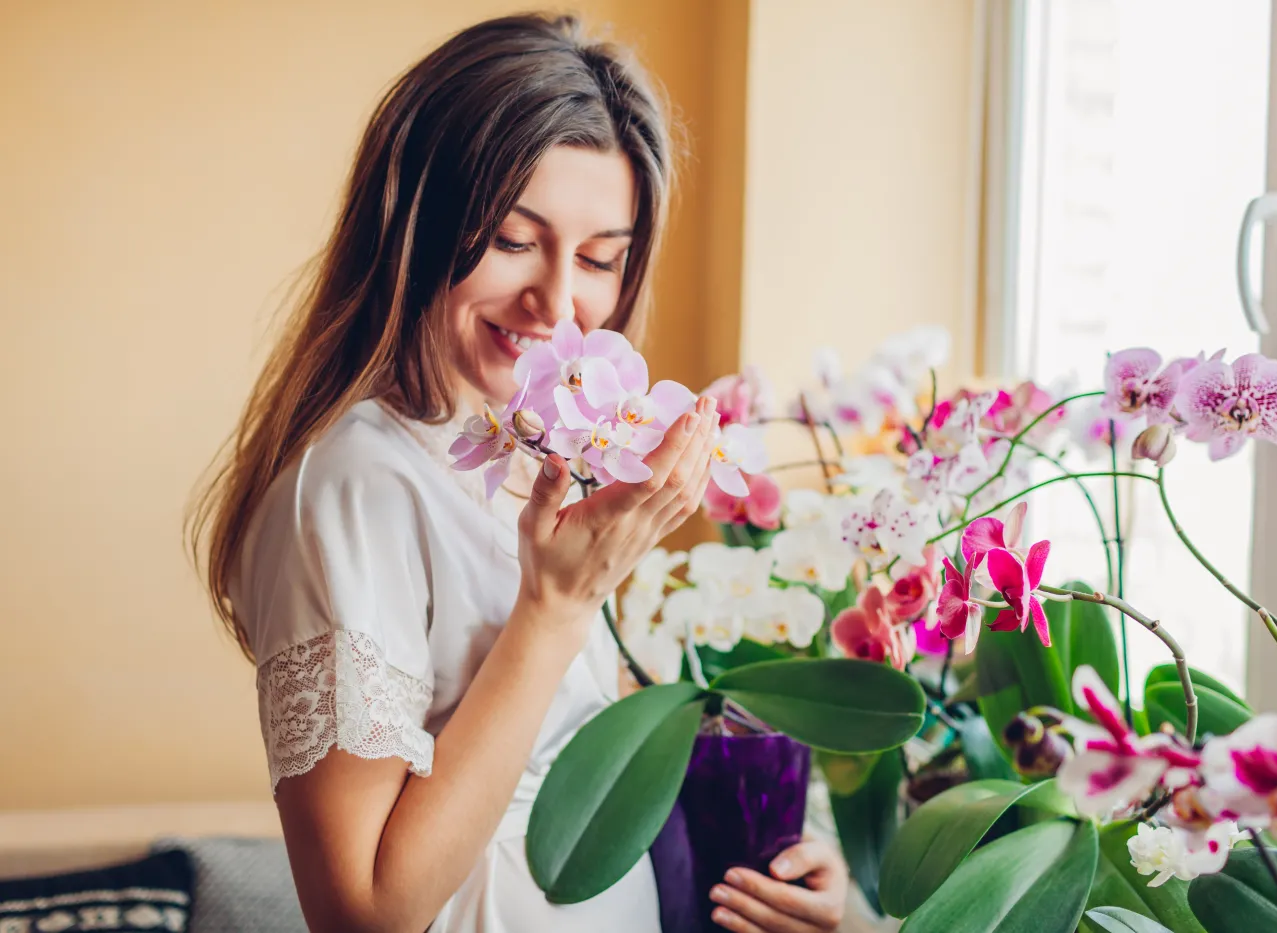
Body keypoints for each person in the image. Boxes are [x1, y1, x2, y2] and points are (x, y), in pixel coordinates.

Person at [190, 13, 849, 933]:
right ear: (413, 222)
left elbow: (576, 755)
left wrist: (781, 858)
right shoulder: (350, 487)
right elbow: (363, 913)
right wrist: (557, 606)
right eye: (509, 239)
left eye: (599, 259)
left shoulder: (530, 449)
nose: (556, 302)